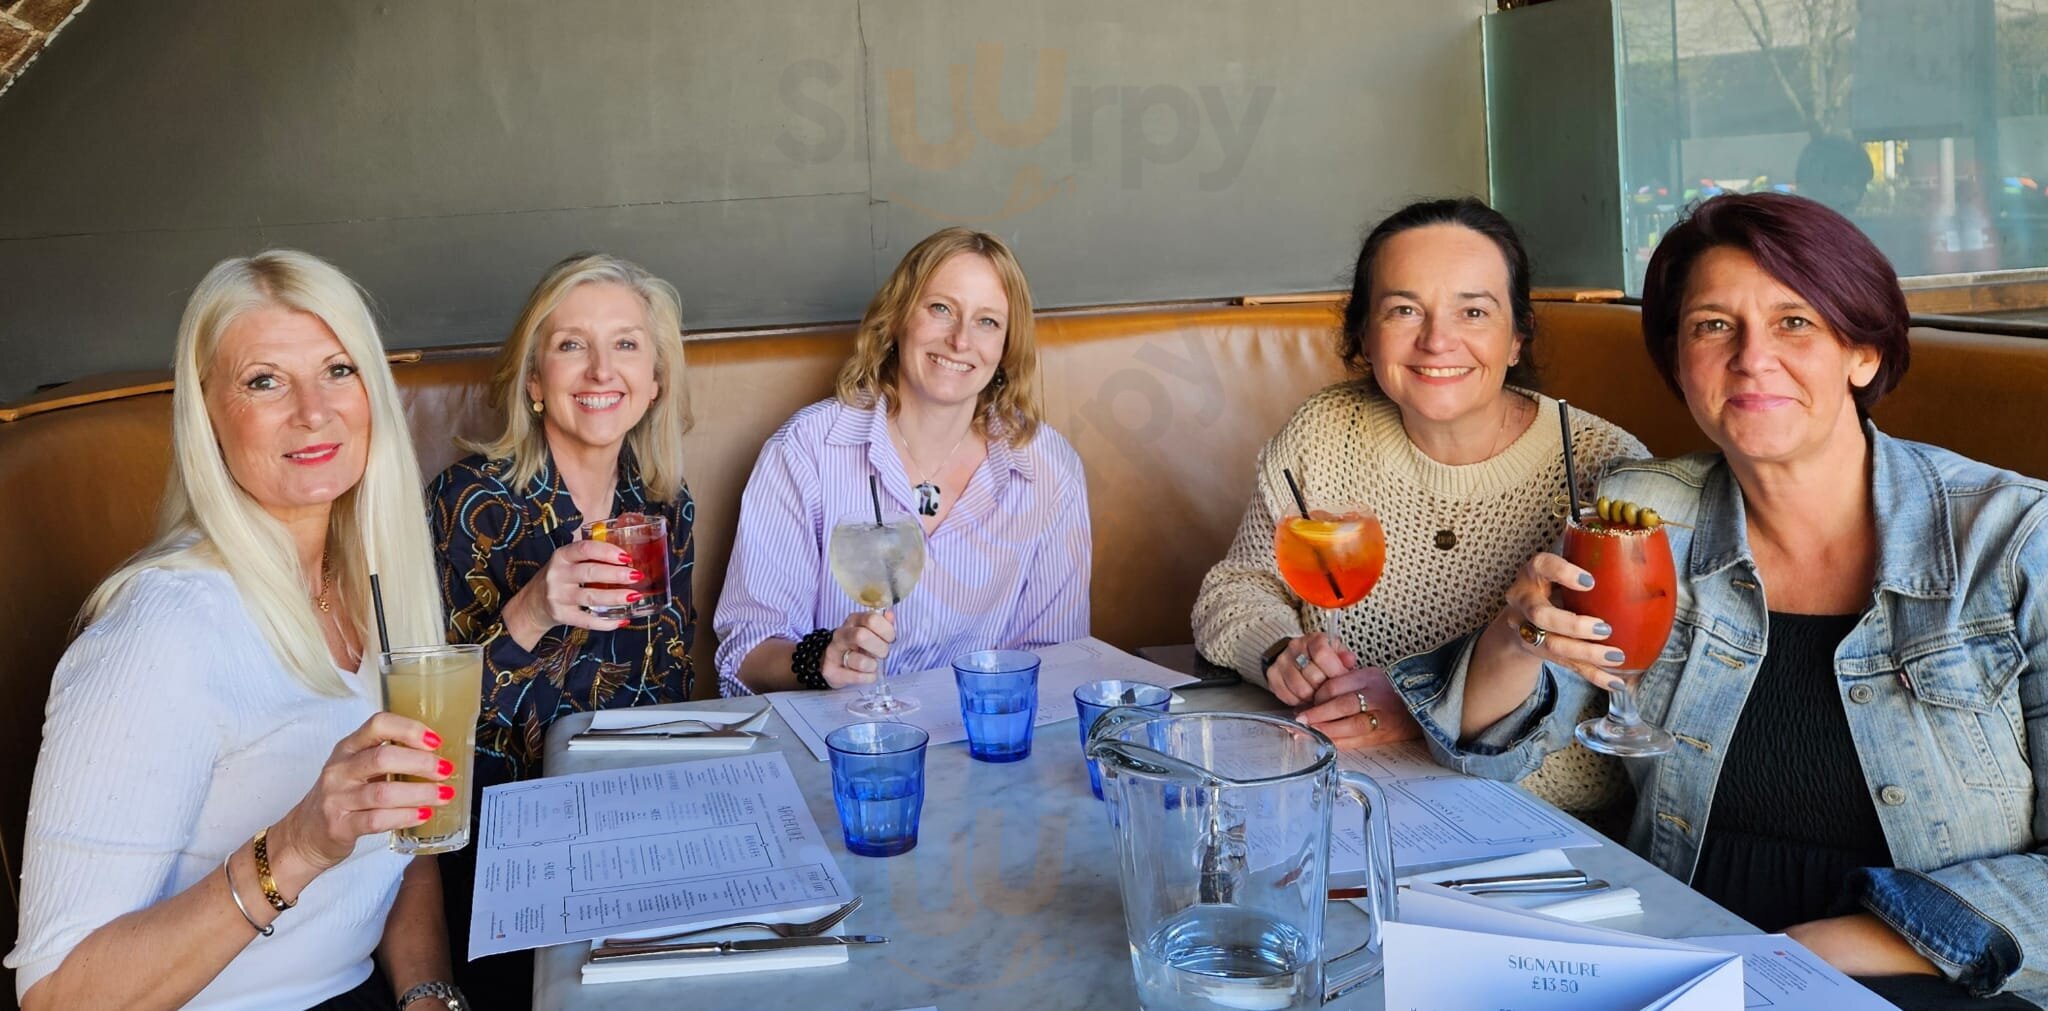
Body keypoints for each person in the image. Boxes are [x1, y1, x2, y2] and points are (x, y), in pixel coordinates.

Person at [1395, 192, 2047, 1009]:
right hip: (1684, 951)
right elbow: (1486, 751)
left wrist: (1802, 953)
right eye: (1712, 325)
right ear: (1679, 362)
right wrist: (1515, 637)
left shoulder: (2015, 541)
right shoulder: (1644, 514)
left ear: (1864, 352)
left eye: (1794, 322)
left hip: (1930, 977)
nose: (1751, 358)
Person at [6, 251, 464, 1010]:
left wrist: (430, 993)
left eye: (338, 370)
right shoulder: (159, 633)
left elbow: (405, 844)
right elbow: (57, 996)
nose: (313, 410)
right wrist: (297, 845)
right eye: (264, 381)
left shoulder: (374, 583)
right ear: (209, 415)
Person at [1191, 197, 1646, 817]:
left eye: (1473, 311)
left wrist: (1420, 710)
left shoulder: (1605, 469)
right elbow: (1236, 588)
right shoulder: (1324, 432)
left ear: (1517, 337)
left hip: (1523, 820)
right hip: (1339, 792)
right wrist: (1279, 650)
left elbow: (1604, 715)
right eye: (1404, 310)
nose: (1436, 340)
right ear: (1364, 334)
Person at [425, 253, 696, 1009]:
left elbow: (671, 685)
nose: (601, 369)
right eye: (572, 344)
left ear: (654, 380)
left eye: (626, 344)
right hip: (508, 843)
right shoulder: (467, 502)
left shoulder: (664, 504)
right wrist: (531, 611)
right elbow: (430, 728)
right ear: (535, 381)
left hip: (637, 822)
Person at [715, 227, 1089, 695]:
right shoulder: (807, 450)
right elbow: (745, 655)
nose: (960, 340)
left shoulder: (1049, 468)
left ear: (1007, 346)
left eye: (988, 321)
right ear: (896, 319)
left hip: (979, 732)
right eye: (941, 309)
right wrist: (820, 659)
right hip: (839, 730)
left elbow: (1057, 660)